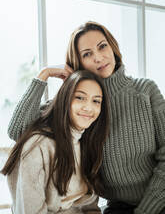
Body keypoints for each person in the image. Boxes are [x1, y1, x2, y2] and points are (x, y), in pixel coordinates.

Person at [7, 21, 165, 214]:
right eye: (87, 54)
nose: (98, 57)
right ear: (79, 63)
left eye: (102, 46)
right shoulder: (81, 105)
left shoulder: (145, 90)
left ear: (112, 47)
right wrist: (43, 76)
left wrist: (146, 211)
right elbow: (19, 130)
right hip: (118, 208)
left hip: (158, 201)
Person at [1, 70, 110, 214]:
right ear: (65, 99)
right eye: (80, 97)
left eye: (96, 101)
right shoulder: (39, 145)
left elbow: (90, 205)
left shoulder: (87, 142)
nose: (88, 107)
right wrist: (45, 74)